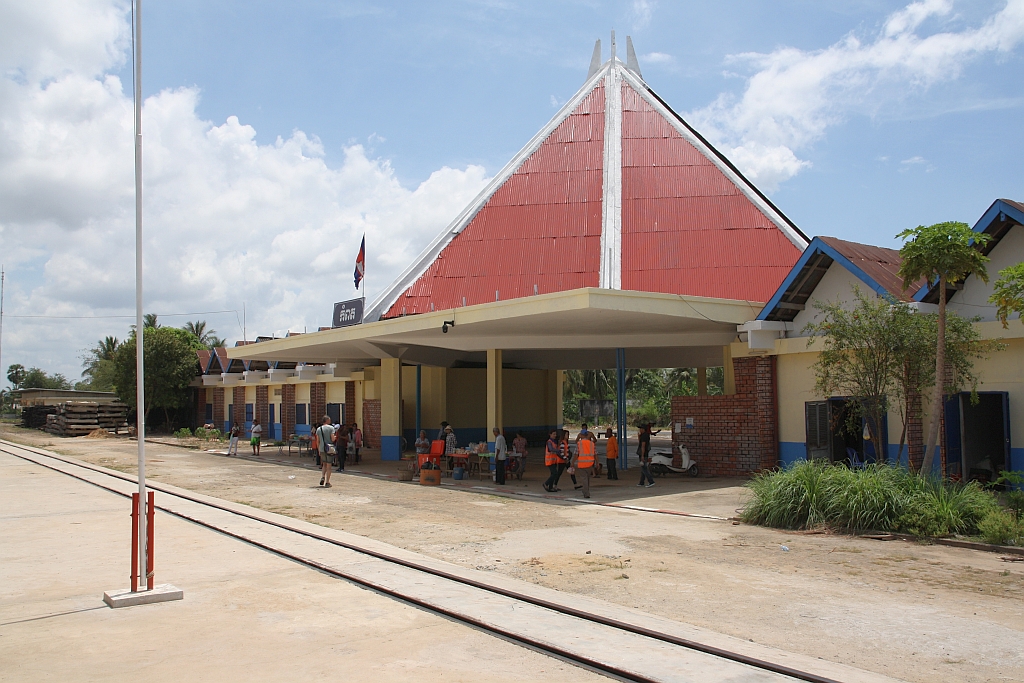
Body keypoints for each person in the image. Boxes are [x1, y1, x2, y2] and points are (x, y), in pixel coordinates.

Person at [573, 426, 597, 498]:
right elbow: (595, 454)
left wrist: (572, 462)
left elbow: (576, 454)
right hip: (590, 463)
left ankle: (586, 493)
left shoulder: (579, 444)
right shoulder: (591, 443)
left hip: (582, 464)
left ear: (581, 435)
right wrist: (597, 462)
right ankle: (586, 490)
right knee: (587, 478)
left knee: (584, 479)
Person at [315, 416, 336, 488]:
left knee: (324, 464)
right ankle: (327, 482)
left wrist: (319, 450)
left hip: (322, 448)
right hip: (329, 448)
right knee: (329, 466)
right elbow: (332, 439)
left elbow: (317, 441)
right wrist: (335, 437)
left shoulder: (319, 429)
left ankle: (323, 476)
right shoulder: (331, 428)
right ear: (327, 420)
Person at [637, 423, 655, 488]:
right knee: (643, 468)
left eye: (640, 429)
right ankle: (641, 482)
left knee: (644, 469)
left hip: (643, 454)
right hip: (644, 454)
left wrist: (642, 455)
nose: (640, 430)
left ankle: (651, 481)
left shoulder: (644, 436)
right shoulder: (644, 435)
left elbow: (643, 446)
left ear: (643, 429)